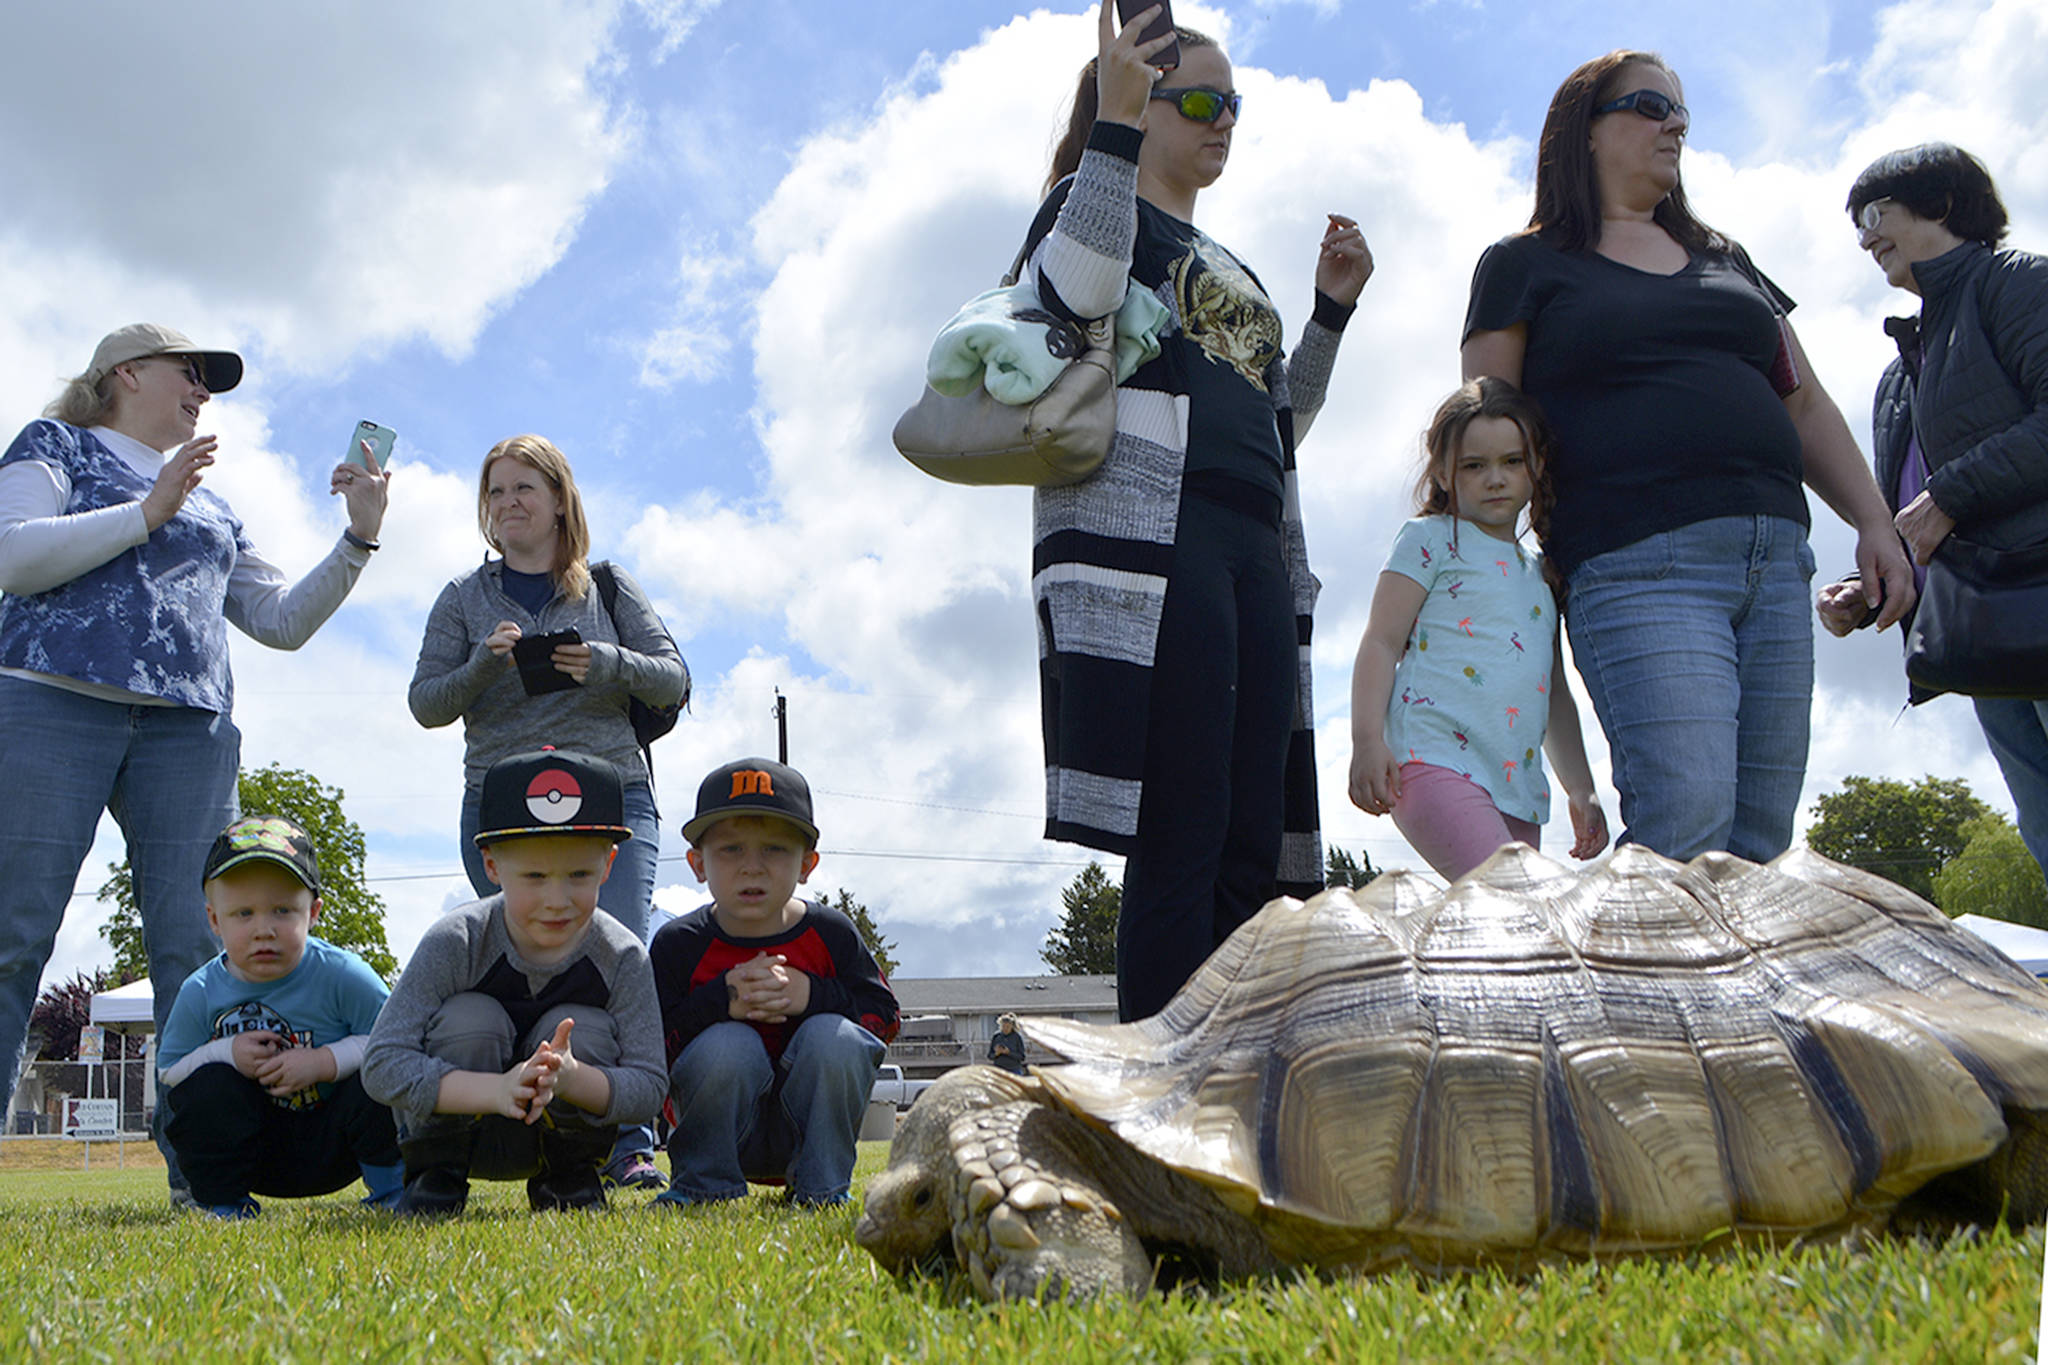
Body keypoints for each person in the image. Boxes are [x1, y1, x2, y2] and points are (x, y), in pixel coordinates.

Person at [1460, 52, 1913, 864]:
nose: (1676, 124)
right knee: (1686, 817)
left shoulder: (1727, 259)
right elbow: (1489, 422)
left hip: (1776, 561)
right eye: (1649, 106)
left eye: (1681, 113)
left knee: (1757, 840)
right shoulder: (1523, 265)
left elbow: (1802, 400)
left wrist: (1876, 521)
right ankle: (1626, 993)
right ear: (1585, 132)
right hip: (1635, 561)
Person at [1029, 1, 1372, 1022]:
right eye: (1200, 100)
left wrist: (1329, 314)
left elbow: (1278, 423)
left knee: (1252, 827)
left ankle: (1236, 1059)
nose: (1222, 119)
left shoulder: (1235, 266)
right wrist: (1113, 134)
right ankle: (1157, 1075)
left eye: (1233, 103)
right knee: (1178, 820)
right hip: (1151, 541)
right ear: (1140, 97)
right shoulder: (1089, 204)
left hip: (1252, 545)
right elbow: (1069, 294)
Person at [0, 323, 390, 1195]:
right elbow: (11, 555)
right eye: (191, 371)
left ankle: (203, 1182)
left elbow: (282, 620)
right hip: (48, 701)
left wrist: (358, 539)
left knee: (193, 947)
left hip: (189, 728)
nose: (204, 390)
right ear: (126, 372)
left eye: (211, 380)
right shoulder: (57, 444)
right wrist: (146, 511)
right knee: (12, 935)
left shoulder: (212, 505)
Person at [407, 433, 686, 1190]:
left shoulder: (609, 586)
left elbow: (673, 678)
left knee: (616, 953)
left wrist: (606, 663)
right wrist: (480, 666)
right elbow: (425, 703)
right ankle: (506, 1119)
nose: (507, 504)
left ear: (560, 497)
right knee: (530, 952)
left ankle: (629, 1138)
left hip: (613, 799)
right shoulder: (462, 597)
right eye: (494, 492)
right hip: (500, 810)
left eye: (523, 487)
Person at [1819, 144, 2048, 881]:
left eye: (1875, 213)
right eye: (1856, 225)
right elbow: (1911, 515)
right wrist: (1878, 582)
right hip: (1992, 635)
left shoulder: (2020, 284)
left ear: (1943, 204)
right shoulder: (1897, 374)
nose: (1864, 237)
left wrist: (1951, 494)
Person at [362, 749, 665, 1216]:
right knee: (470, 1018)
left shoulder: (622, 955)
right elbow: (381, 1063)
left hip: (557, 1134)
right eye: (535, 876)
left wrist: (572, 1077)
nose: (557, 899)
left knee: (584, 1028)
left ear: (609, 864)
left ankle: (569, 1184)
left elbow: (650, 1085)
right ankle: (436, 1182)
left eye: (580, 874)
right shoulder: (456, 940)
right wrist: (496, 1091)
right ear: (491, 866)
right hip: (467, 1128)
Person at [1348, 379, 1608, 881]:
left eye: (1512, 461)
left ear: (1536, 466)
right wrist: (1366, 740)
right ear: (1444, 472)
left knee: (1506, 942)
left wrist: (1581, 787)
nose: (1495, 478)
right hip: (1432, 761)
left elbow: (1553, 692)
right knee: (1518, 905)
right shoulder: (1431, 541)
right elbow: (1380, 640)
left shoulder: (1541, 573)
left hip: (1518, 789)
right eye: (1474, 465)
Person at [650, 758, 899, 1209]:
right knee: (728, 1043)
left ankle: (821, 1192)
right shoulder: (677, 944)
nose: (753, 867)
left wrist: (813, 996)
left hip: (807, 1134)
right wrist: (721, 1001)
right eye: (730, 849)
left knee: (835, 1038)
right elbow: (651, 1044)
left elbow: (882, 1018)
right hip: (720, 1130)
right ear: (696, 863)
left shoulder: (831, 933)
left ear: (807, 864)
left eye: (774, 849)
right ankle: (700, 1187)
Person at [158, 815, 402, 1219]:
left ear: (314, 912)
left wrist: (324, 1062)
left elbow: (396, 1044)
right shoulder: (200, 991)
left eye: (283, 911)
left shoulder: (345, 974)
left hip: (338, 1146)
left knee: (378, 1073)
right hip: (251, 1151)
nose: (263, 929)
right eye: (243, 914)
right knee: (207, 1086)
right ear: (214, 920)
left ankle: (394, 1190)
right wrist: (227, 1053)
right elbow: (169, 1072)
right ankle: (222, 1204)